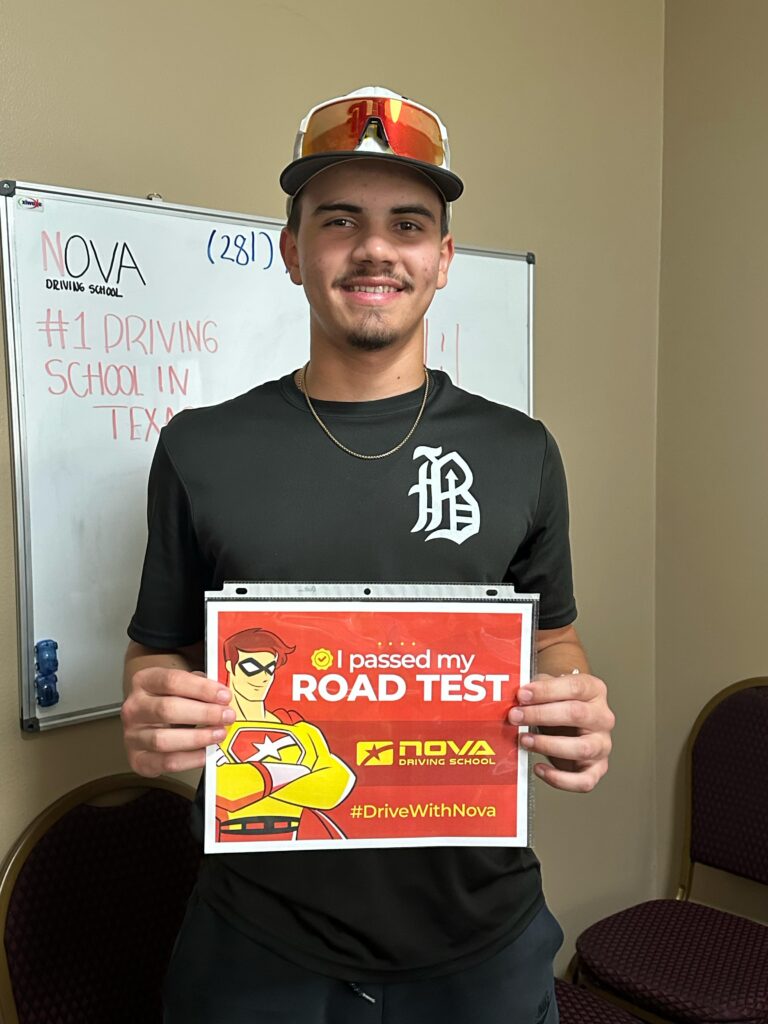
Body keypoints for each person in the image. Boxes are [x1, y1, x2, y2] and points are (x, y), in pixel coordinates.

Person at [122, 86, 615, 1023]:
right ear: (293, 251)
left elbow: (554, 639)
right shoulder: (200, 448)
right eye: (339, 220)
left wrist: (571, 701)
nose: (375, 248)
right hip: (259, 941)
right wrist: (156, 709)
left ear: (443, 260)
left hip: (485, 940)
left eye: (408, 224)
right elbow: (157, 651)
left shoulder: (521, 452)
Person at [215, 626, 355, 843]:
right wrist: (299, 774)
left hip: (293, 840)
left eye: (269, 669)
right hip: (229, 840)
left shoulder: (297, 727)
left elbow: (336, 784)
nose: (262, 677)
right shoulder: (214, 721)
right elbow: (225, 789)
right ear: (230, 666)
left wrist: (253, 780)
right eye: (251, 667)